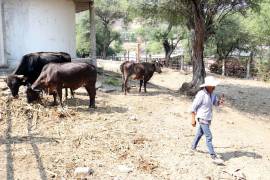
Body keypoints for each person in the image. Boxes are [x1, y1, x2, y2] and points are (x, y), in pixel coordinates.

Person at [190, 76, 225, 164]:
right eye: (212, 86)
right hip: (202, 118)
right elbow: (193, 107)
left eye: (214, 86)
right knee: (209, 136)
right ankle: (213, 156)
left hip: (208, 117)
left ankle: (193, 147)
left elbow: (215, 103)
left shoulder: (212, 94)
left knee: (200, 133)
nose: (214, 87)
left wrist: (220, 102)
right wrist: (193, 119)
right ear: (207, 86)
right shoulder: (201, 94)